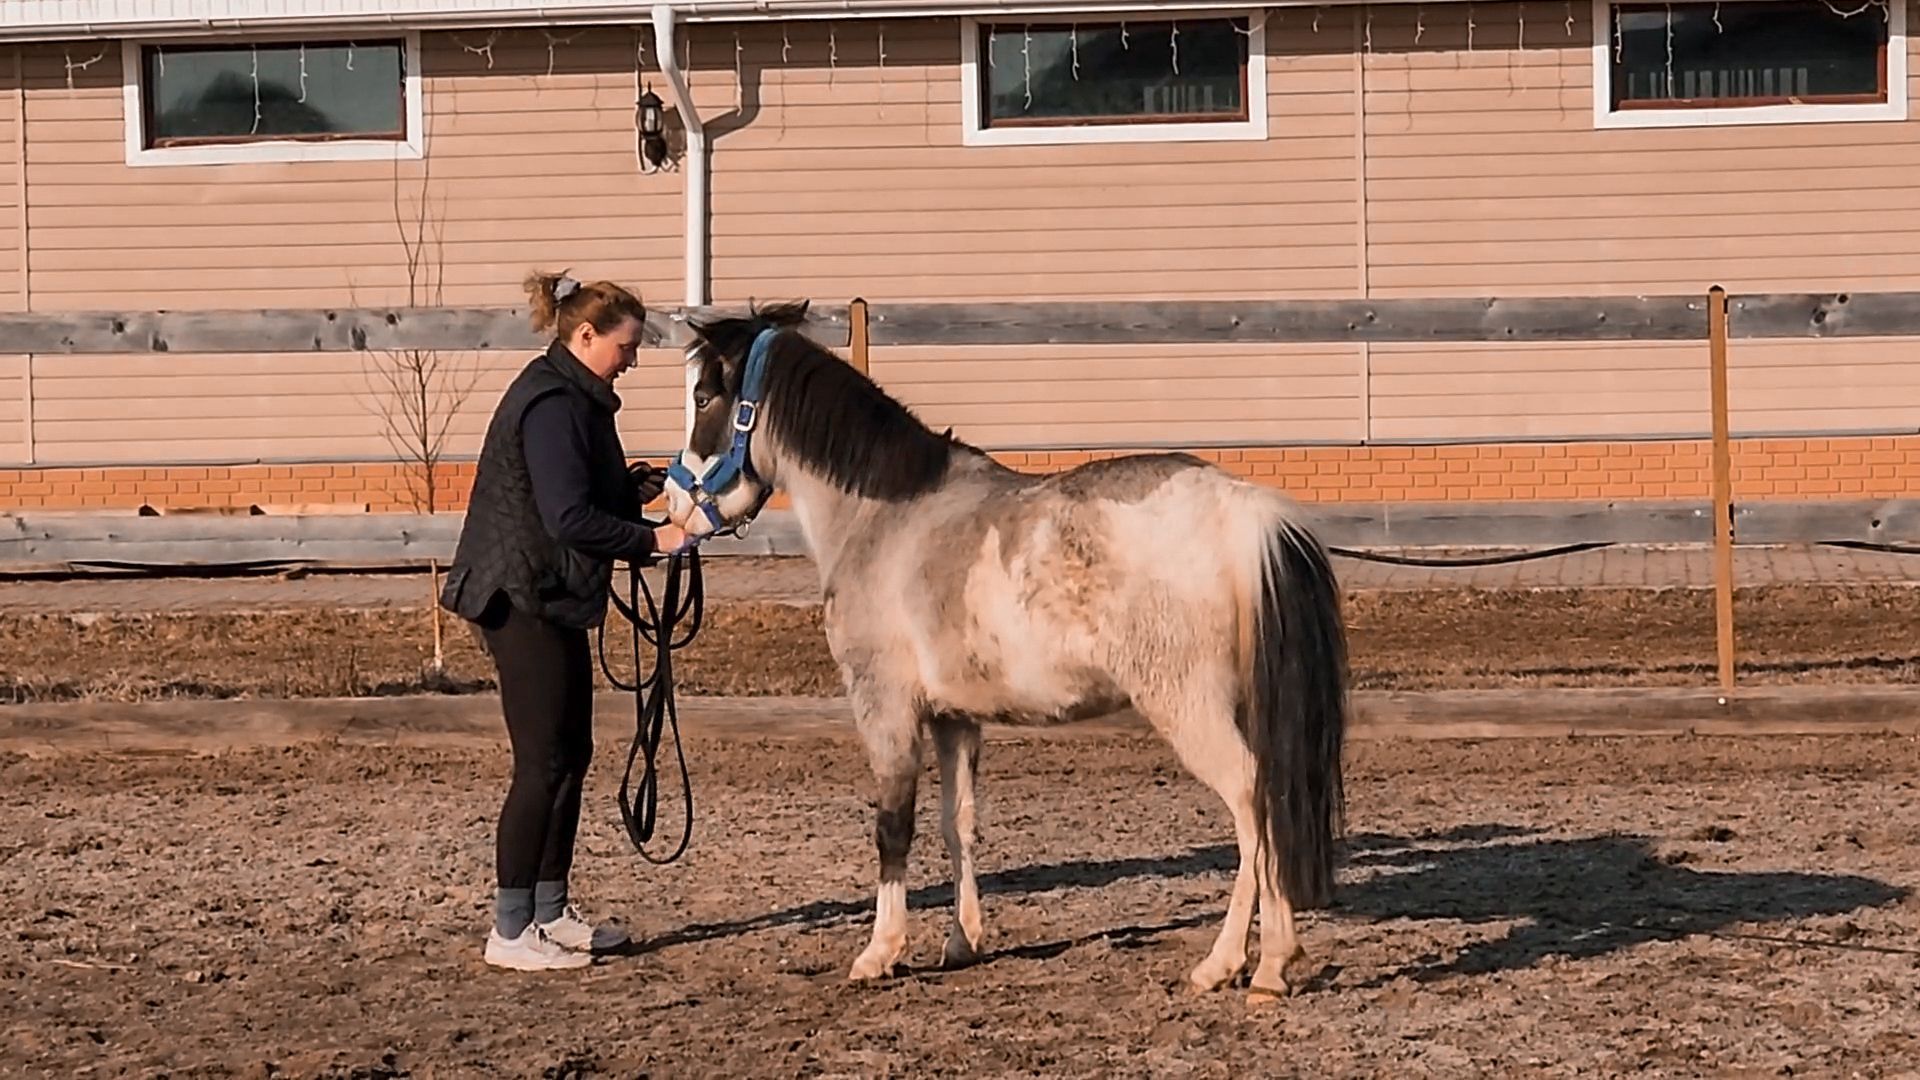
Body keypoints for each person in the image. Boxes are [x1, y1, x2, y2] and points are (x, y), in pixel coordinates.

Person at [439, 269, 688, 972]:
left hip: (547, 594)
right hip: (521, 598)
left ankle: (549, 912)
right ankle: (510, 929)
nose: (631, 359)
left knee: (570, 755)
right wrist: (654, 540)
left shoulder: (576, 397)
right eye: (625, 346)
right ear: (585, 336)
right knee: (542, 762)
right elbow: (568, 517)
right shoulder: (552, 404)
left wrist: (637, 489)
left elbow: (581, 492)